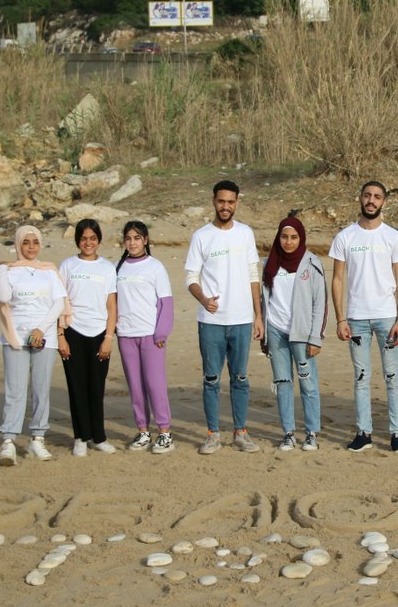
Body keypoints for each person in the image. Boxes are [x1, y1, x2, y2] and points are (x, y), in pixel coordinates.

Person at [329, 181, 398, 453]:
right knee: (361, 376)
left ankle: (397, 434)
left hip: (387, 317)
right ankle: (364, 432)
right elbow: (338, 279)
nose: (371, 201)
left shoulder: (393, 237)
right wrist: (341, 319)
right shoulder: (345, 236)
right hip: (357, 319)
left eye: (377, 197)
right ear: (360, 199)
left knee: (392, 376)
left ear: (384, 202)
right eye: (367, 196)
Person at [186, 180, 264, 454]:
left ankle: (240, 432)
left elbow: (254, 275)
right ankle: (212, 434)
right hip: (211, 323)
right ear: (214, 201)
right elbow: (191, 278)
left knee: (240, 377)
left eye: (231, 202)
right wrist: (204, 299)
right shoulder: (201, 236)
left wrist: (258, 315)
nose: (226, 206)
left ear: (237, 203)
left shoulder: (245, 233)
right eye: (221, 201)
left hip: (242, 320)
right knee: (211, 378)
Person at [0, 226, 67, 465]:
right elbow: (4, 298)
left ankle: (37, 438)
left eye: (35, 242)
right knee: (15, 390)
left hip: (44, 337)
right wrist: (3, 271)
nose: (31, 247)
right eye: (26, 242)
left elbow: (59, 303)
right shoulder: (8, 270)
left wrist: (40, 329)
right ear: (18, 244)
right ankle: (8, 441)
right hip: (15, 338)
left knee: (40, 389)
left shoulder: (49, 271)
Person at [260, 215, 326, 451]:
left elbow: (320, 303)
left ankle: (311, 433)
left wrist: (315, 337)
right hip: (276, 331)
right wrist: (265, 335)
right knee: (283, 383)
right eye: (284, 237)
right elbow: (263, 299)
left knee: (308, 385)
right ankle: (288, 432)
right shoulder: (269, 264)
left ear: (301, 238)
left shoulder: (311, 263)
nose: (288, 242)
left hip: (302, 333)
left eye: (294, 237)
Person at [58, 218, 118, 456]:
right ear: (77, 241)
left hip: (99, 333)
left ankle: (98, 437)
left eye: (93, 238)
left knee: (97, 386)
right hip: (73, 332)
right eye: (84, 238)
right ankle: (81, 437)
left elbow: (112, 305)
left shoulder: (107, 267)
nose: (88, 243)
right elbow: (59, 302)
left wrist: (109, 337)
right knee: (77, 387)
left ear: (99, 240)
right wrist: (60, 335)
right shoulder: (67, 266)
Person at [115, 220, 174, 454]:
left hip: (151, 335)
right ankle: (142, 430)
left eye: (137, 238)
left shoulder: (155, 266)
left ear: (146, 240)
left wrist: (162, 332)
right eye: (128, 238)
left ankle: (165, 432)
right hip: (125, 334)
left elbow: (166, 302)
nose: (132, 242)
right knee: (136, 387)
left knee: (155, 384)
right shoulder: (117, 268)